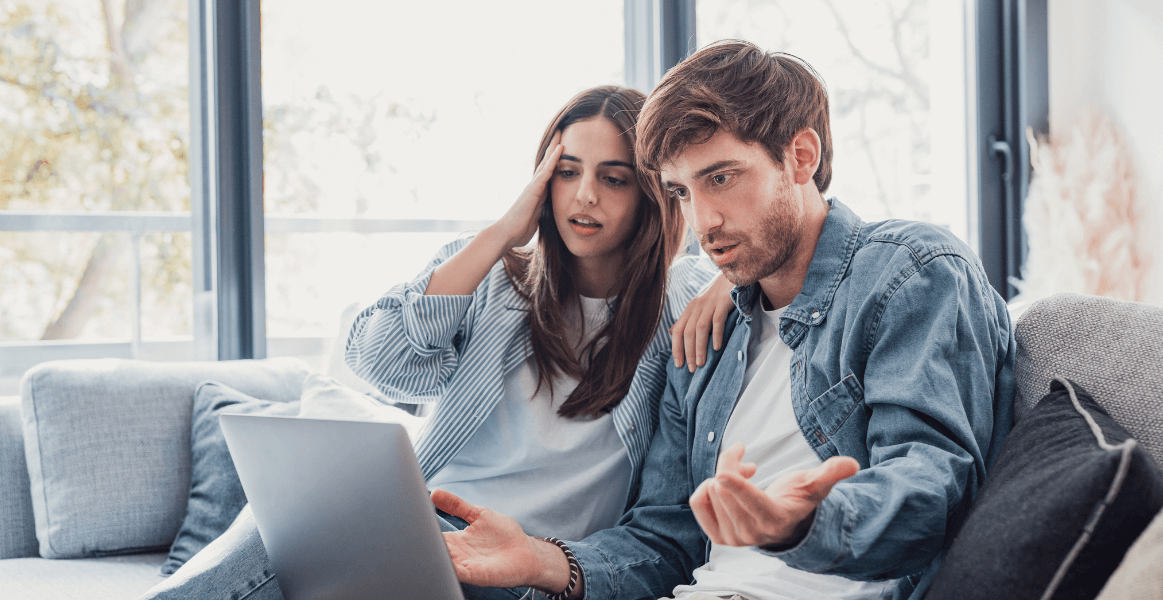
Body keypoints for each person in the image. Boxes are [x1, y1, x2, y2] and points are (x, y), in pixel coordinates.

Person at [431, 41, 1017, 600]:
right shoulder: (705, 337)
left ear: (801, 157)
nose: (703, 222)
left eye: (721, 178)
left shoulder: (908, 274)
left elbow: (934, 484)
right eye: (681, 191)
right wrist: (541, 560)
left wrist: (800, 522)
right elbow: (664, 540)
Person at [140, 85, 732, 600]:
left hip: (526, 563)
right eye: (567, 172)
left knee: (307, 529)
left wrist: (731, 285)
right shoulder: (498, 278)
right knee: (288, 522)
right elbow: (379, 360)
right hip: (428, 532)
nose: (584, 197)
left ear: (652, 193)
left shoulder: (682, 299)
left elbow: (765, 280)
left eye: (614, 179)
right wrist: (502, 233)